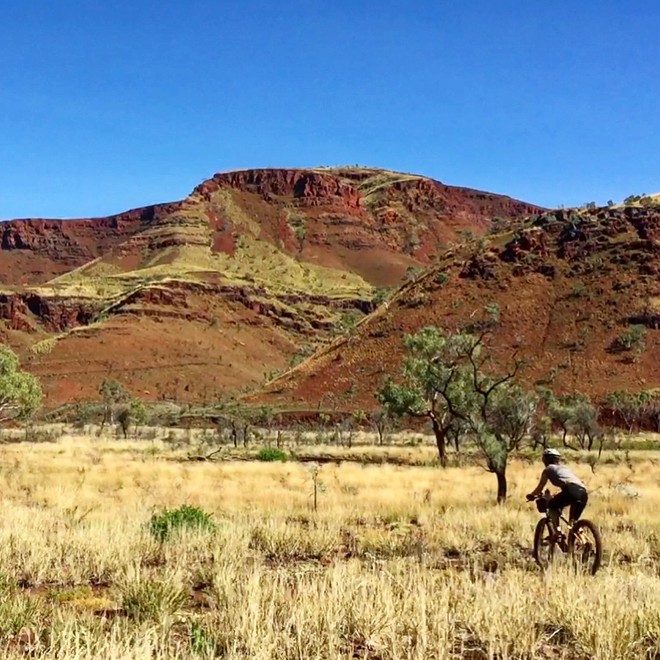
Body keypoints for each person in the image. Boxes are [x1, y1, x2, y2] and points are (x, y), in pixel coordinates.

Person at [526, 448, 588, 541]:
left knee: (552, 506)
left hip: (570, 491)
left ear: (546, 459)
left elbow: (540, 487)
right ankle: (584, 542)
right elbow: (570, 484)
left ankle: (557, 532)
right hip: (583, 493)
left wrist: (532, 495)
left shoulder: (548, 469)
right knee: (573, 522)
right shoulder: (565, 468)